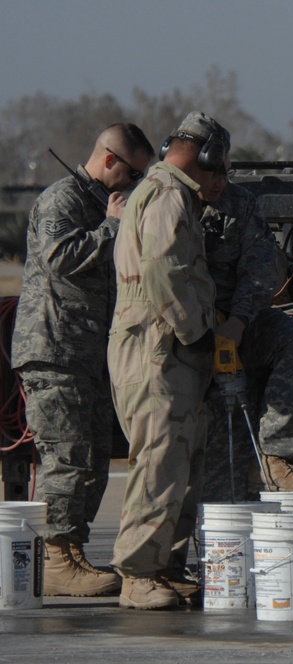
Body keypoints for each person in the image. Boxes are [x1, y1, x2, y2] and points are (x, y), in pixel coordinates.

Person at [12, 122, 154, 597]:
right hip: (55, 349)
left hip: (89, 354)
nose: (135, 184)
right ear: (111, 160)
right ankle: (54, 559)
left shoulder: (99, 203)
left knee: (92, 458)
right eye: (133, 173)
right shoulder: (63, 200)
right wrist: (111, 227)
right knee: (67, 456)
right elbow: (59, 256)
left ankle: (71, 551)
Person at [108, 111, 229, 610]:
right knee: (158, 460)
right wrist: (196, 332)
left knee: (179, 461)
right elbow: (163, 271)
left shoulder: (169, 192)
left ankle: (165, 566)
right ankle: (137, 574)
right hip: (159, 349)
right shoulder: (168, 195)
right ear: (207, 156)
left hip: (167, 347)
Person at [199, 182, 293, 503]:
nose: (217, 177)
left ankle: (275, 458)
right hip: (183, 331)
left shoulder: (239, 203)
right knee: (221, 500)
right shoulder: (160, 203)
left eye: (222, 168)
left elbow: (260, 270)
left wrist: (238, 321)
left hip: (238, 324)